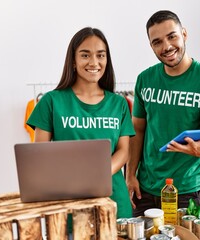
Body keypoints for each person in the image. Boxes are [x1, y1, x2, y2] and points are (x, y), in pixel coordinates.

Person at [126, 10, 200, 217]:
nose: (167, 47)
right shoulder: (145, 80)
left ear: (184, 34)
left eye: (172, 36)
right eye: (157, 42)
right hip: (145, 186)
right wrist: (130, 175)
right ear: (151, 46)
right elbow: (137, 130)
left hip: (186, 188)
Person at [27, 27, 135, 218]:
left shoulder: (119, 103)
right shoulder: (51, 101)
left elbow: (124, 151)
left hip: (115, 203)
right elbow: (40, 156)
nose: (94, 62)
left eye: (100, 55)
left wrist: (97, 175)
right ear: (74, 61)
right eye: (85, 55)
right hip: (69, 205)